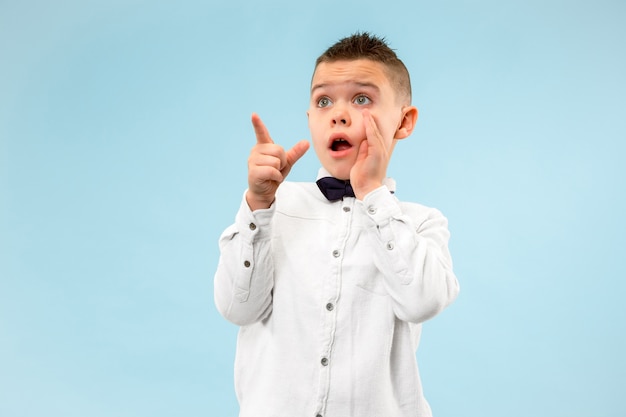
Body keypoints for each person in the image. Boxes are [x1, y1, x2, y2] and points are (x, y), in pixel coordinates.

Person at [214, 32, 460, 417]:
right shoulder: (272, 207)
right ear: (311, 119)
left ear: (404, 121)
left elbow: (423, 301)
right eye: (323, 100)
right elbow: (236, 308)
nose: (338, 113)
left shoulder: (421, 223)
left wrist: (372, 194)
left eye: (362, 99)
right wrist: (259, 207)